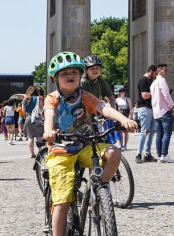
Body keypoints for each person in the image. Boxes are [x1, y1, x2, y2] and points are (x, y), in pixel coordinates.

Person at [43, 52, 137, 236]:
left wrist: (124, 119)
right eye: (64, 73)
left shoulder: (85, 96)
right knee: (62, 202)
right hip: (61, 150)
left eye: (74, 72)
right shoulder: (52, 98)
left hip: (86, 146)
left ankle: (101, 189)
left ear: (80, 75)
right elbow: (49, 114)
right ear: (55, 79)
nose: (70, 76)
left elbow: (104, 108)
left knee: (114, 152)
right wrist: (48, 131)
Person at [150, 63, 174, 163]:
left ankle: (159, 155)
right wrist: (172, 105)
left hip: (156, 111)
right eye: (165, 70)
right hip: (164, 110)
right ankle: (164, 154)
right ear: (159, 71)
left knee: (159, 134)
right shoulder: (162, 81)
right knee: (167, 134)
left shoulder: (153, 83)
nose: (167, 72)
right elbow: (166, 94)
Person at [134, 65, 157, 163]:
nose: (156, 75)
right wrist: (156, 92)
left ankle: (147, 154)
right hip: (144, 108)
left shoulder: (151, 81)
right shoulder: (143, 80)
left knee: (151, 132)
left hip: (151, 109)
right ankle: (138, 154)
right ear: (151, 71)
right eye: (155, 73)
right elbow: (145, 96)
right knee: (144, 132)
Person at [24, 86, 45, 158]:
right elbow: (42, 109)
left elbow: (24, 111)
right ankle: (41, 153)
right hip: (37, 118)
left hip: (29, 118)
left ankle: (32, 154)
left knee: (30, 137)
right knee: (39, 136)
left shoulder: (25, 99)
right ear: (37, 91)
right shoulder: (38, 99)